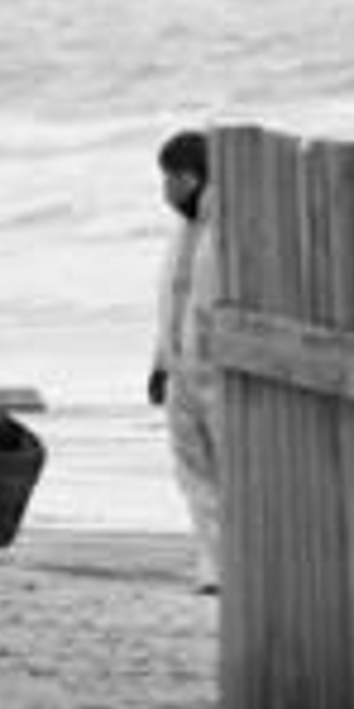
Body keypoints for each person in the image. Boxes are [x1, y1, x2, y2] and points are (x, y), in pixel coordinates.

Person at [149, 129, 221, 595]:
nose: (167, 188)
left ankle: (238, 563)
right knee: (192, 473)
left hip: (219, 376)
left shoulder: (227, 230)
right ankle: (215, 566)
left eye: (174, 177)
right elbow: (172, 300)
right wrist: (158, 362)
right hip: (179, 372)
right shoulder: (182, 233)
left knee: (231, 471)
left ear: (195, 177)